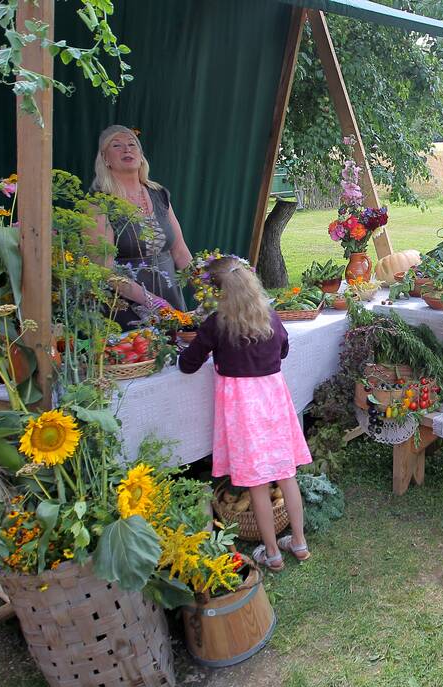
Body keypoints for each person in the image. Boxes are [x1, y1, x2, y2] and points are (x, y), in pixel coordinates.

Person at [178, 257, 312, 571]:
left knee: (257, 483)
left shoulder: (216, 324)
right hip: (273, 404)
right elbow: (283, 350)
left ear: (220, 292)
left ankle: (272, 553)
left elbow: (188, 364)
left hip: (242, 412)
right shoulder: (271, 317)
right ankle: (299, 542)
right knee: (286, 474)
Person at [91, 125, 193, 329]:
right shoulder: (98, 204)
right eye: (117, 145)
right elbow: (105, 270)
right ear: (105, 159)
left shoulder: (159, 194)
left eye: (132, 145)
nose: (127, 149)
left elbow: (180, 252)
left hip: (171, 303)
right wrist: (152, 302)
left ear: (141, 156)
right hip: (124, 311)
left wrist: (208, 288)